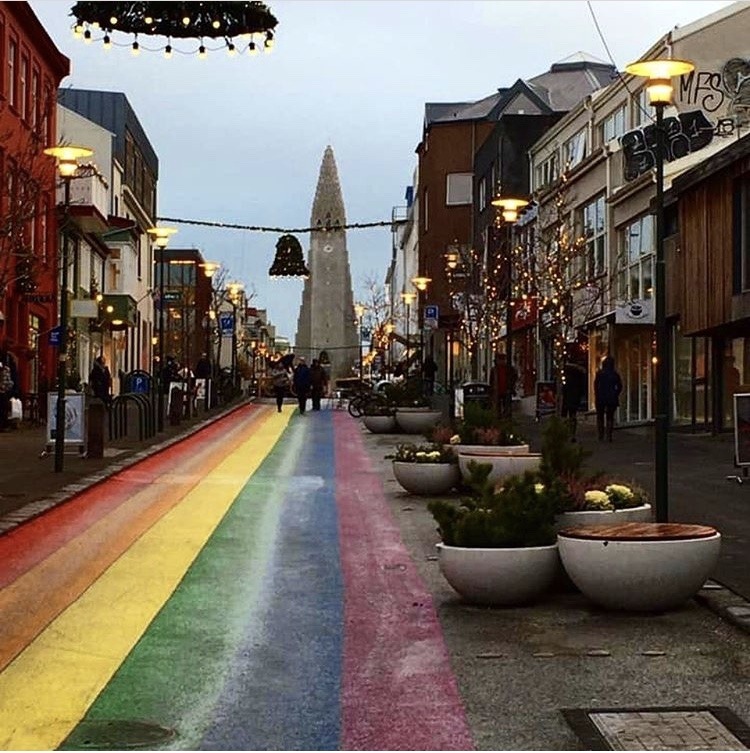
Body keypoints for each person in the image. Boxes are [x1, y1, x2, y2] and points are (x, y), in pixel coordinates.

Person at [594, 355, 623, 442]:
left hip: (601, 397)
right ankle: (609, 435)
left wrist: (597, 393)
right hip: (611, 397)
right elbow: (620, 386)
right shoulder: (615, 374)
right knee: (610, 416)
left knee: (600, 416)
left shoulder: (600, 374)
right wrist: (616, 393)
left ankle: (601, 435)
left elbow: (595, 385)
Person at [560, 358, 587, 441]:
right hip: (574, 397)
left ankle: (565, 432)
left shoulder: (565, 376)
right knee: (573, 415)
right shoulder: (578, 376)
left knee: (564, 415)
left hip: (566, 397)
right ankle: (572, 434)